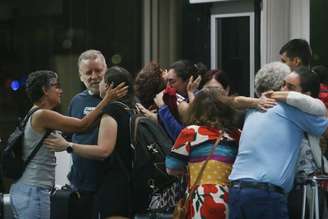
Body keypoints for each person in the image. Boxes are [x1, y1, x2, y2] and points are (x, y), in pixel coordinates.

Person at [9, 70, 127, 219]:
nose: (61, 91)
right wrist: (106, 100)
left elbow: (86, 126)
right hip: (34, 191)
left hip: (29, 190)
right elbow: (81, 126)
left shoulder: (36, 114)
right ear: (45, 90)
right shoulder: (42, 115)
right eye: (56, 86)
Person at [228, 62, 328, 219]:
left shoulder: (257, 105)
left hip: (237, 190)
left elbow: (231, 103)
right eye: (283, 85)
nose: (283, 90)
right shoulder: (293, 110)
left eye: (290, 87)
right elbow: (322, 123)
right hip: (266, 195)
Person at [45, 66, 136, 219]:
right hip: (127, 183)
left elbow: (104, 151)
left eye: (101, 79)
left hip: (115, 186)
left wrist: (68, 146)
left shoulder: (113, 110)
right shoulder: (134, 108)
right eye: (88, 73)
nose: (96, 79)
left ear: (108, 86)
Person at [165, 87, 240, 219]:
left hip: (202, 198)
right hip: (231, 198)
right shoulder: (236, 134)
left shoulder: (192, 132)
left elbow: (171, 168)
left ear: (196, 109)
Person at [65, 49, 108, 219]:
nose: (94, 76)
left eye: (98, 70)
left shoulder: (121, 100)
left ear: (106, 70)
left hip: (109, 184)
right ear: (80, 76)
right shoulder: (76, 101)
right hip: (81, 184)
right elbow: (69, 136)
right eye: (88, 72)